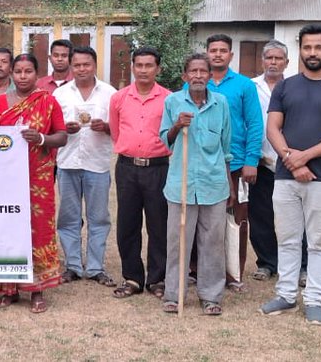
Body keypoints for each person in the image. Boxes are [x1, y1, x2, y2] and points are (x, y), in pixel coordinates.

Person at [260, 24, 321, 325]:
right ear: (300, 50)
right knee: (287, 238)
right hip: (286, 178)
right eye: (307, 47)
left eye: (318, 47)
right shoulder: (286, 87)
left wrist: (305, 157)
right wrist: (291, 160)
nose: (312, 53)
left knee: (318, 242)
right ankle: (286, 295)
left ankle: (314, 299)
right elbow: (273, 127)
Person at [0, 53, 68, 314]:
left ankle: (37, 289)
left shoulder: (48, 101)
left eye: (28, 71)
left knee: (38, 230)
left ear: (37, 74)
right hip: (6, 179)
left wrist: (42, 139)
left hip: (38, 178)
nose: (23, 76)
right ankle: (7, 288)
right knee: (7, 228)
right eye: (18, 71)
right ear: (11, 73)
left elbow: (62, 136)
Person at [160, 53, 232, 316]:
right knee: (178, 241)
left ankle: (211, 296)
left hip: (214, 185)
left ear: (211, 76)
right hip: (181, 185)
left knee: (213, 242)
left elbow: (226, 147)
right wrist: (178, 125)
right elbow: (165, 141)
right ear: (185, 76)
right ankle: (173, 294)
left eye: (204, 71)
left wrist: (230, 187)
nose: (199, 76)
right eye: (194, 71)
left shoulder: (221, 103)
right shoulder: (173, 102)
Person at [107, 47, 172, 299]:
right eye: (139, 65)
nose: (143, 70)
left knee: (159, 224)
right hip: (127, 168)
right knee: (127, 223)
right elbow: (115, 131)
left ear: (158, 68)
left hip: (158, 168)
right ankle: (132, 277)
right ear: (132, 67)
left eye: (149, 65)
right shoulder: (119, 98)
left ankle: (157, 279)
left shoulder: (169, 98)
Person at [201, 34, 263, 288]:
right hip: (203, 165)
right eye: (213, 50)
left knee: (237, 219)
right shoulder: (195, 83)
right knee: (202, 220)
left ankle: (234, 273)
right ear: (206, 53)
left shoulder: (244, 86)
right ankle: (198, 270)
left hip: (236, 165)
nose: (217, 54)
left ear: (231, 55)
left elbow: (255, 124)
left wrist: (251, 161)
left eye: (222, 50)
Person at [52, 46, 116, 287]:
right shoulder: (60, 94)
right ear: (71, 66)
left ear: (94, 65)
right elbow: (52, 128)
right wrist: (64, 129)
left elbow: (120, 128)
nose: (81, 69)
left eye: (86, 64)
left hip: (97, 163)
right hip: (68, 162)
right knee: (68, 218)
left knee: (98, 217)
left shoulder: (110, 93)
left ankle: (96, 267)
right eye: (77, 65)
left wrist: (106, 127)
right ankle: (73, 266)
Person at [250, 40, 304, 283]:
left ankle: (302, 266)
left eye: (278, 58)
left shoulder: (297, 88)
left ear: (287, 62)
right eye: (269, 58)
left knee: (296, 217)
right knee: (260, 216)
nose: (273, 62)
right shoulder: (250, 87)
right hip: (260, 161)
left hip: (291, 163)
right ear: (262, 61)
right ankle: (267, 263)